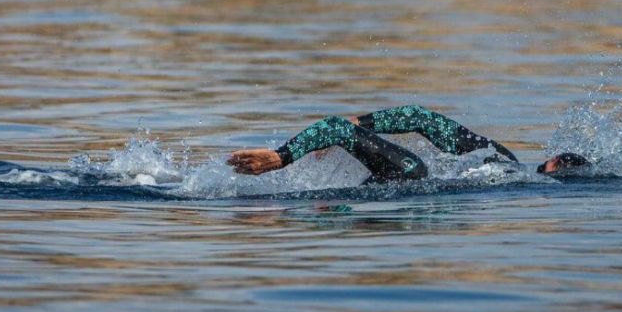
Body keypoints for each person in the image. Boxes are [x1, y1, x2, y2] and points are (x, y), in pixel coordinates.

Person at [228, 105, 588, 182]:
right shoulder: (500, 162)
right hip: (414, 183)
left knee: (338, 129)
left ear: (552, 161)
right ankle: (279, 160)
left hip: (414, 181)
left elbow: (420, 117)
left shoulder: (499, 155)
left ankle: (280, 159)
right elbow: (423, 120)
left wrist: (360, 123)